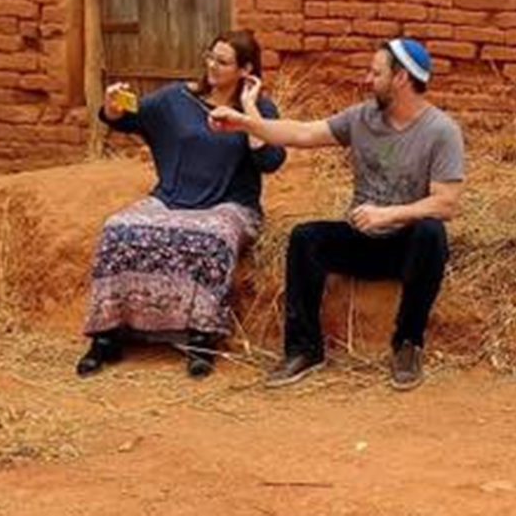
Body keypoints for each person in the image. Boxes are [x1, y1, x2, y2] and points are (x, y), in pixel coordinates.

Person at [209, 37, 463, 391]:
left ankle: (407, 344)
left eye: (376, 73)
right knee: (305, 238)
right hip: (361, 237)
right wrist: (245, 122)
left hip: (406, 243)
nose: (367, 79)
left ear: (401, 78)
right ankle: (304, 349)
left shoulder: (441, 131)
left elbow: (447, 202)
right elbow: (301, 132)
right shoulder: (361, 117)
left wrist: (388, 215)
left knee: (432, 233)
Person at [78, 30, 284, 379]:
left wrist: (249, 111)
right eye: (210, 57)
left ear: (245, 69)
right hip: (171, 199)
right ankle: (106, 336)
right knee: (117, 229)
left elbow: (271, 161)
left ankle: (200, 337)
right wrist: (112, 107)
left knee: (211, 237)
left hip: (230, 206)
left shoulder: (260, 108)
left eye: (223, 62)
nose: (212, 66)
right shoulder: (176, 99)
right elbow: (128, 116)